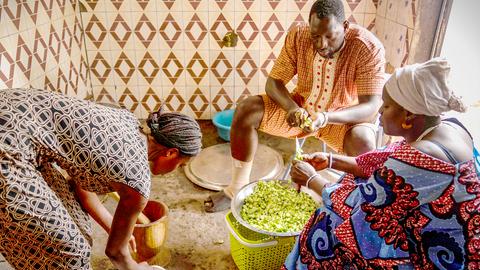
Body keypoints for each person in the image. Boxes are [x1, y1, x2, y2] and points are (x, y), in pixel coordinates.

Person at [283, 58, 480, 269]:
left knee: (327, 223)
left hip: (441, 254)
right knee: (350, 180)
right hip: (441, 226)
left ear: (409, 115)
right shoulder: (447, 127)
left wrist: (311, 179)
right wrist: (331, 160)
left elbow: (360, 209)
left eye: (385, 106)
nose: (379, 112)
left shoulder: (425, 155)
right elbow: (383, 162)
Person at [204, 0, 386, 212]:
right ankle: (236, 189)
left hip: (343, 119)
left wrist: (326, 118)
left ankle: (354, 209)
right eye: (315, 36)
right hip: (302, 110)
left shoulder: (367, 47)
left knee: (363, 143)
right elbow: (274, 82)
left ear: (345, 26)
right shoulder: (298, 36)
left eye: (330, 36)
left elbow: (371, 106)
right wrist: (291, 108)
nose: (321, 44)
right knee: (247, 110)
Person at [0, 88, 202, 270]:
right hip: (8, 147)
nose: (176, 170)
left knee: (80, 225)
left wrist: (114, 227)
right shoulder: (137, 181)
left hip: (15, 116)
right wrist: (138, 268)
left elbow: (82, 189)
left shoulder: (128, 121)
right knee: (71, 251)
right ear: (171, 153)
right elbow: (116, 254)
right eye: (181, 164)